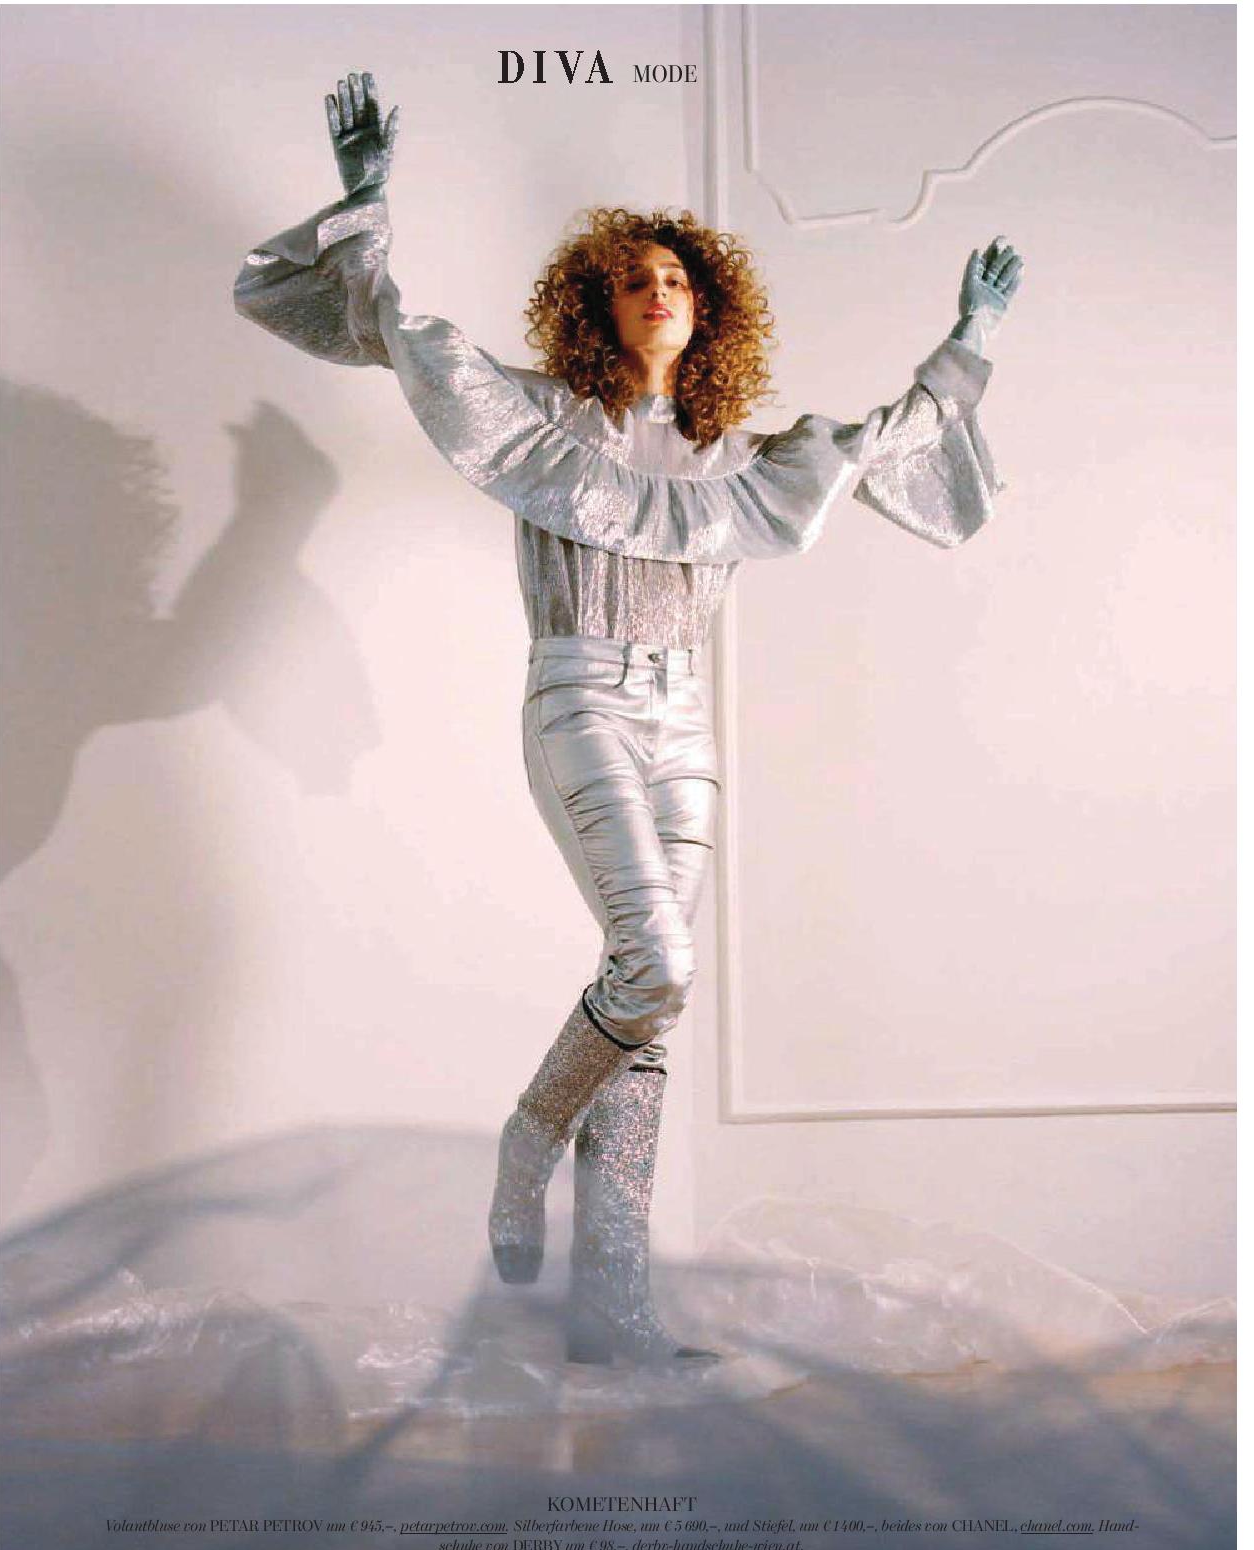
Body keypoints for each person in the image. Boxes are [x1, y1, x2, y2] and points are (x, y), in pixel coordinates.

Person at [233, 70, 1024, 1369]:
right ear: (596, 306)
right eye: (634, 278)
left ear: (707, 311)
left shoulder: (739, 457)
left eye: (677, 278)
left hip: (686, 723)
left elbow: (891, 437)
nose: (659, 290)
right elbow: (394, 330)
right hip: (580, 693)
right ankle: (528, 1137)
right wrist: (368, 199)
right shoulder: (540, 416)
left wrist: (969, 342)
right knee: (657, 961)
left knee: (646, 1003)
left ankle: (615, 1307)